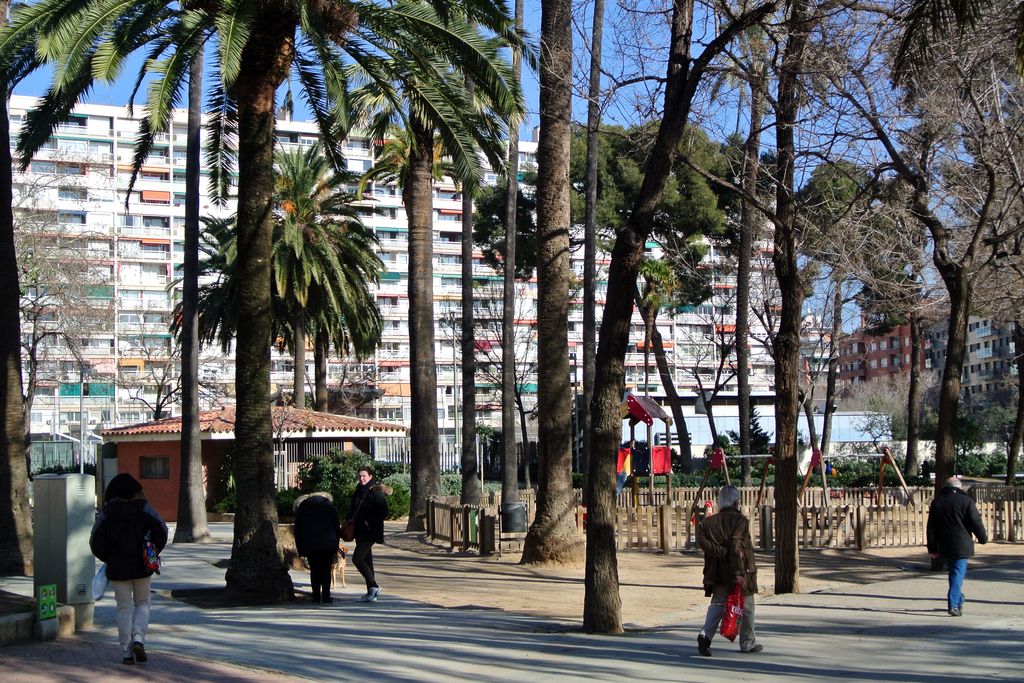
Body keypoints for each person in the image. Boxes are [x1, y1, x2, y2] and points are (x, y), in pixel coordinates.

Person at [89, 473, 168, 665]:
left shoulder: (107, 513)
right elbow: (162, 529)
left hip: (117, 568)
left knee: (123, 608)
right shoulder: (143, 509)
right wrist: (152, 550)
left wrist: (108, 557)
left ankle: (125, 651)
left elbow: (95, 541)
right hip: (142, 565)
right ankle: (139, 639)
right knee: (142, 603)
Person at [695, 484, 761, 657]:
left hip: (717, 572)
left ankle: (705, 635)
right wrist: (739, 572)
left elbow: (703, 543)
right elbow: (736, 545)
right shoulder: (740, 521)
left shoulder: (709, 522)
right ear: (736, 501)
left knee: (717, 605)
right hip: (739, 569)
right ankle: (747, 642)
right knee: (746, 607)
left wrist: (721, 553)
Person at [927, 476, 988, 616]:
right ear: (959, 487)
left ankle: (959, 598)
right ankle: (953, 605)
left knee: (953, 575)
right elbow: (975, 522)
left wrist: (932, 548)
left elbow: (931, 527)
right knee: (957, 575)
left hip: (944, 545)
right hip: (961, 544)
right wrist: (983, 539)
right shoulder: (966, 501)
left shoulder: (937, 502)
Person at [346, 466, 389, 602]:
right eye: (359, 476)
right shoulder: (359, 491)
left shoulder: (375, 492)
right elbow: (353, 508)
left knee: (357, 559)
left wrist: (368, 521)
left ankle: (374, 586)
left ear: (370, 477)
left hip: (370, 532)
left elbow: (384, 512)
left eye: (364, 476)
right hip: (359, 531)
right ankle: (371, 593)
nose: (361, 478)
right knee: (367, 560)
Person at [293, 492, 342, 605]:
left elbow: (297, 530)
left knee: (314, 571)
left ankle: (315, 597)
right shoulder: (330, 507)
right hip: (328, 544)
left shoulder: (303, 508)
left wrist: (301, 549)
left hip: (310, 544)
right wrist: (335, 546)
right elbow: (336, 527)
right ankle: (326, 596)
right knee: (326, 570)